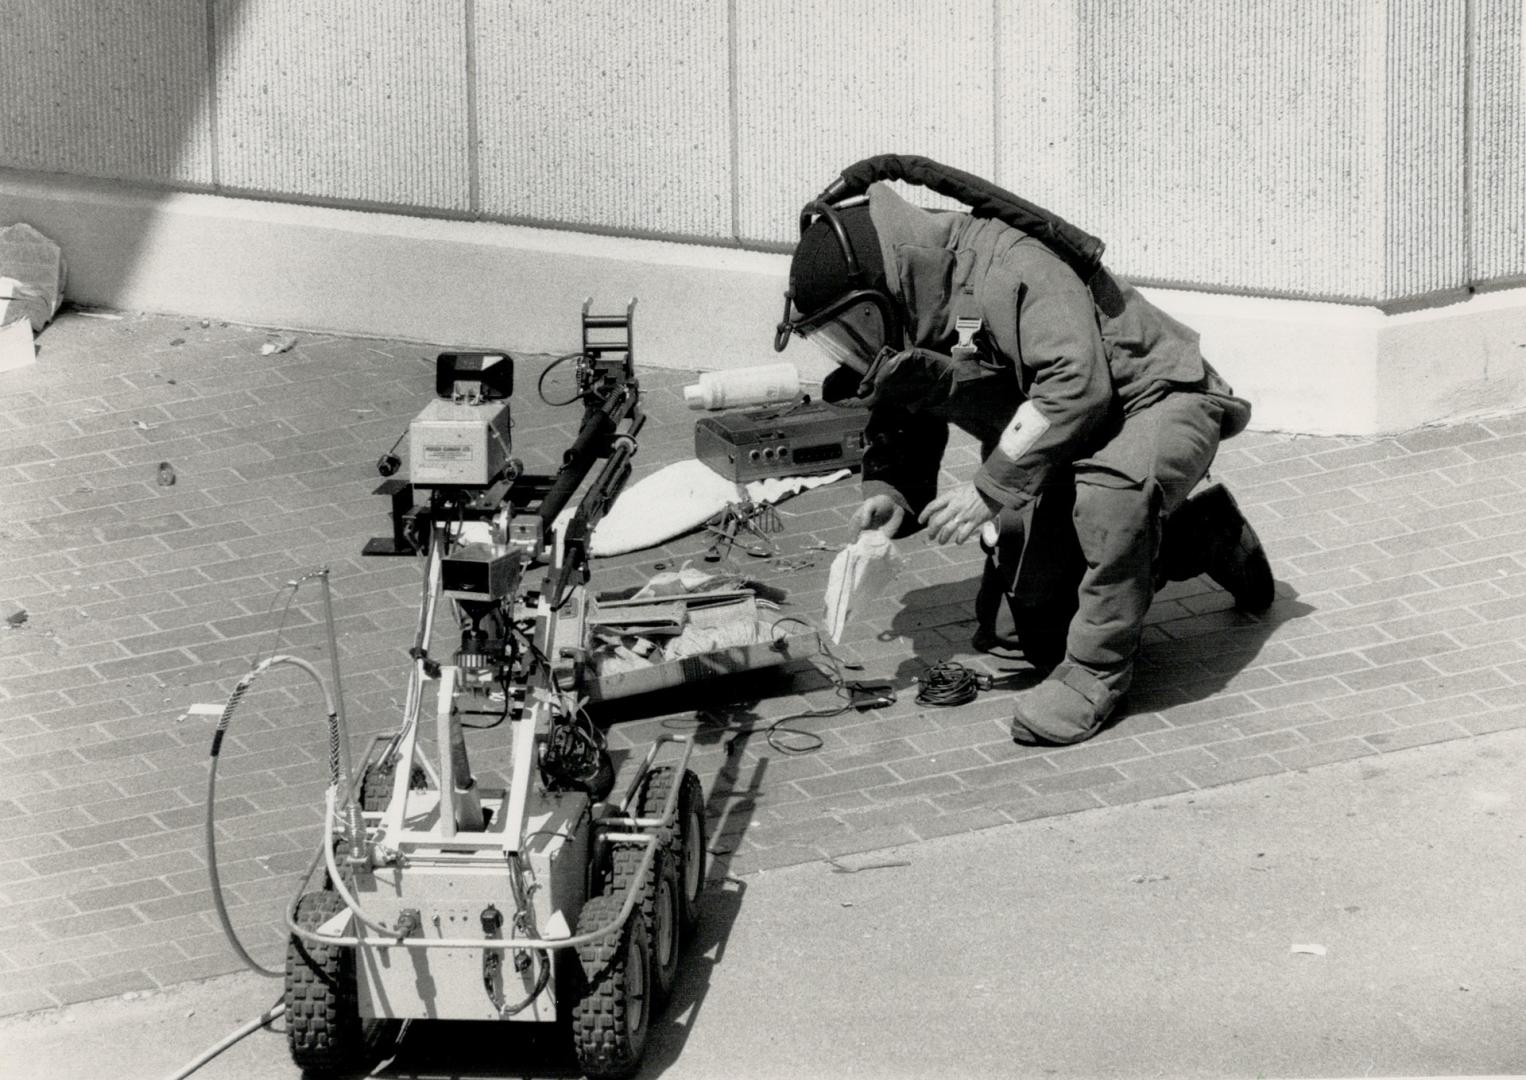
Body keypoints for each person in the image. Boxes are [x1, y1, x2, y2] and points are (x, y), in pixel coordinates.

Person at [774, 168, 1273, 746]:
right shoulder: (935, 292)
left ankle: (1097, 676)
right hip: (1071, 429)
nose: (854, 345)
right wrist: (892, 492)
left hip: (1155, 399)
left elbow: (1074, 387)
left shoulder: (1013, 268)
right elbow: (921, 382)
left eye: (852, 324)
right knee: (1029, 635)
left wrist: (990, 489)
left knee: (1111, 496)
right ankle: (1198, 531)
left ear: (890, 279)